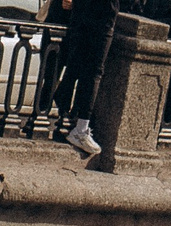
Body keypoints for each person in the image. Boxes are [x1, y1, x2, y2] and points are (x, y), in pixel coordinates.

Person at [51, 0, 120, 158]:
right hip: (101, 17)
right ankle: (81, 128)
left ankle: (65, 103)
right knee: (93, 72)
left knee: (78, 66)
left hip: (83, 15)